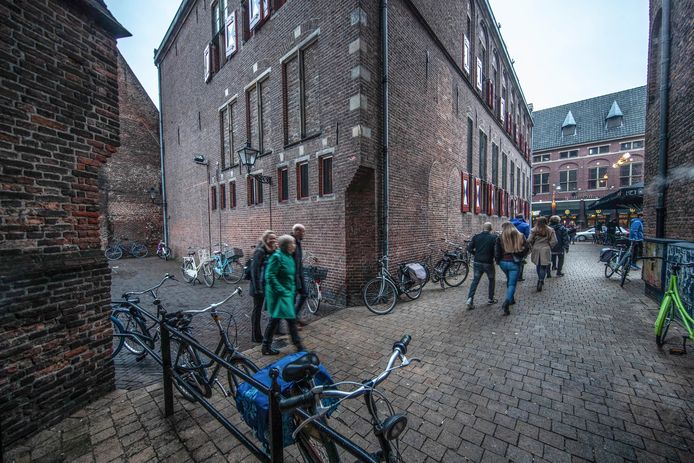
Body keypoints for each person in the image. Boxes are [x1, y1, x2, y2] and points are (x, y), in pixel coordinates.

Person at [262, 235, 305, 355]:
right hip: (279, 295)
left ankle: (266, 346)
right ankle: (299, 347)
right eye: (292, 244)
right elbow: (269, 276)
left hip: (287, 294)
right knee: (289, 319)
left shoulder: (289, 257)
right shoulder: (277, 257)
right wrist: (281, 290)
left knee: (276, 319)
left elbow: (289, 276)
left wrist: (292, 290)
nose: (295, 246)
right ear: (286, 245)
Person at [494, 222, 529, 315]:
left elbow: (497, 251)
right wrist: (521, 256)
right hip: (515, 263)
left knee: (509, 280)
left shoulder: (500, 237)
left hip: (503, 262)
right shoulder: (521, 236)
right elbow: (527, 248)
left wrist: (497, 261)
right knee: (512, 284)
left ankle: (511, 299)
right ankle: (507, 302)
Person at [249, 230, 277, 343]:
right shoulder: (260, 251)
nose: (273, 240)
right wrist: (258, 289)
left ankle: (275, 329)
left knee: (273, 308)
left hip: (267, 286)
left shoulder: (271, 250)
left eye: (275, 238)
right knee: (257, 311)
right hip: (258, 287)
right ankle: (256, 336)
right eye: (271, 238)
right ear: (266, 239)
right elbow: (254, 272)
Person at [465, 222, 498, 310]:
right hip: (488, 263)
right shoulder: (494, 238)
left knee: (475, 281)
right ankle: (490, 298)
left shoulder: (476, 237)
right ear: (491, 229)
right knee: (491, 280)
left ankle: (470, 299)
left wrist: (475, 254)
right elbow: (496, 250)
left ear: (483, 228)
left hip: (477, 262)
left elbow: (468, 248)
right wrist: (496, 258)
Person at [528, 217, 557, 292]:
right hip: (546, 248)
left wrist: (532, 246)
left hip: (536, 248)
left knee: (538, 265)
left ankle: (540, 279)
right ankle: (541, 280)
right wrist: (549, 246)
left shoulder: (534, 230)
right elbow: (554, 241)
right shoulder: (550, 230)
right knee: (543, 266)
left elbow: (529, 240)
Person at [291, 224, 308, 325]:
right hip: (293, 276)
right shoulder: (291, 242)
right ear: (297, 231)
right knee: (291, 300)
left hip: (299, 274)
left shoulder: (298, 242)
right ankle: (292, 322)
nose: (303, 234)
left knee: (304, 294)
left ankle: (295, 316)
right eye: (302, 231)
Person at [510, 214, 530, 281]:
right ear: (523, 218)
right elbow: (527, 236)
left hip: (510, 245)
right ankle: (519, 277)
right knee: (521, 261)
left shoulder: (509, 224)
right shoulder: (526, 225)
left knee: (511, 261)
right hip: (521, 245)